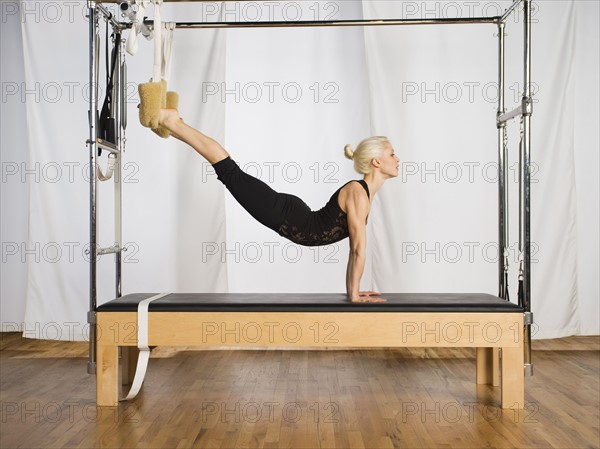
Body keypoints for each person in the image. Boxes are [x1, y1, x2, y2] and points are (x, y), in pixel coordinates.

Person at [158, 109, 399, 303]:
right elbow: (357, 250)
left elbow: (355, 251)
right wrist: (355, 295)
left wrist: (353, 293)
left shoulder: (363, 194)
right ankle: (173, 122)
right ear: (376, 161)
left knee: (230, 173)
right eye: (392, 154)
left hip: (293, 215)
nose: (397, 159)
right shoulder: (359, 194)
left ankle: (174, 124)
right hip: (286, 216)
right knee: (230, 172)